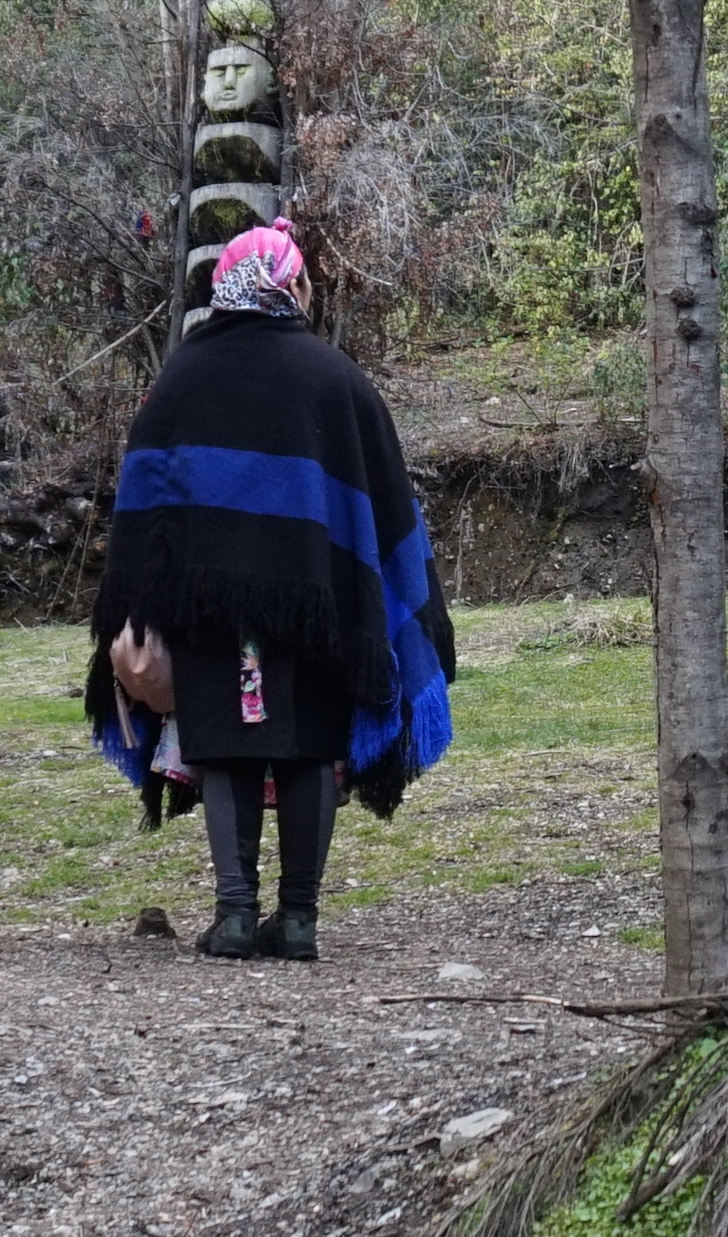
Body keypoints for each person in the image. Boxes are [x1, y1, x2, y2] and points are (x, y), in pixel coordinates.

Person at [84, 223, 455, 959]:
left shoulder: (183, 376)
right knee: (310, 749)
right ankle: (298, 921)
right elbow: (379, 502)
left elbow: (146, 505)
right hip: (320, 610)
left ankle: (231, 917)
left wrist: (142, 603)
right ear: (289, 285)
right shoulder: (334, 378)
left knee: (222, 746)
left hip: (209, 618)